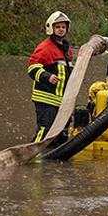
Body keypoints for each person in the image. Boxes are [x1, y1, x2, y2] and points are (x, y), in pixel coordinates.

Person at [27, 11, 74, 143]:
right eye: (58, 27)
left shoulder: (66, 49)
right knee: (45, 131)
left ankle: (54, 162)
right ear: (51, 28)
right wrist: (47, 76)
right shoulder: (45, 47)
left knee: (62, 135)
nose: (61, 30)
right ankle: (33, 158)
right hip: (46, 99)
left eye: (63, 27)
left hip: (61, 102)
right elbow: (32, 68)